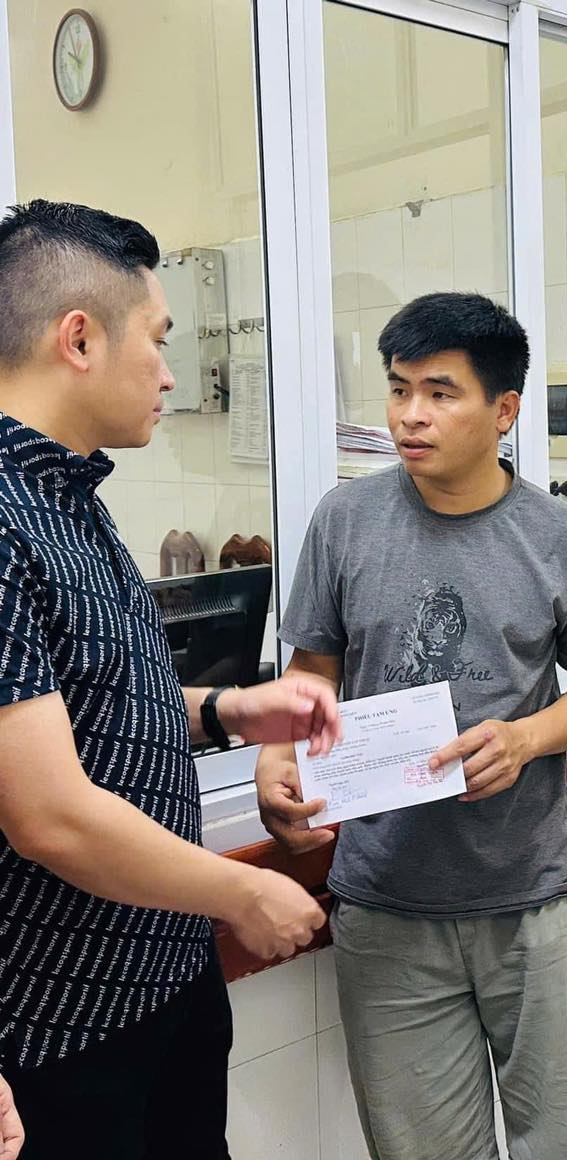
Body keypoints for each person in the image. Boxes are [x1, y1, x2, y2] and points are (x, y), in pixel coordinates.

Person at [0, 199, 339, 1159]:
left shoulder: (73, 497)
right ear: (78, 339)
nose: (169, 372)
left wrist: (235, 710)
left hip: (167, 978)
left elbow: (98, 706)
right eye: (156, 338)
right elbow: (49, 815)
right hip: (65, 1024)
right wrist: (241, 894)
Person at [255, 292, 567, 1160]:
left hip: (531, 896)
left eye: (439, 392)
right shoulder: (345, 522)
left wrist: (528, 738)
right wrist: (278, 756)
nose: (409, 415)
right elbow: (312, 669)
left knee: (561, 1144)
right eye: (398, 389)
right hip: (385, 898)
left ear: (504, 409)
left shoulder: (558, 537)